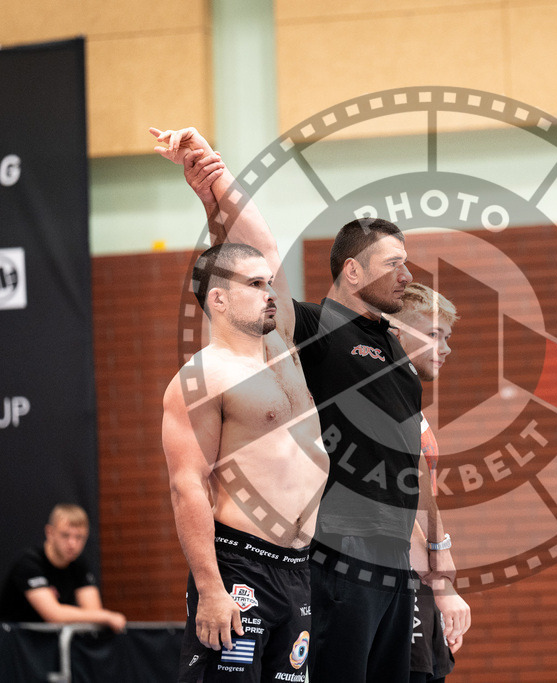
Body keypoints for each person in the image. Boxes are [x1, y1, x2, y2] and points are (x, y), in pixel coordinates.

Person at [151, 127, 467, 683]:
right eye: (394, 262)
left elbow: (417, 474)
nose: (407, 274)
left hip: (371, 565)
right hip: (321, 557)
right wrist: (216, 185)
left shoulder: (398, 360)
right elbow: (255, 256)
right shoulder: (310, 332)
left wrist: (440, 576)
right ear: (352, 270)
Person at [160, 202, 329, 677]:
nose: (269, 292)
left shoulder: (283, 353)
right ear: (218, 299)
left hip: (296, 568)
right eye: (255, 285)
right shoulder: (201, 378)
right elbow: (187, 485)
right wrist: (210, 587)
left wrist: (216, 177)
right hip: (240, 568)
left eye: (269, 283)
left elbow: (265, 247)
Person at [387, 283, 471, 683]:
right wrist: (441, 579)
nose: (445, 347)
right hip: (400, 572)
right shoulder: (382, 401)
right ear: (396, 333)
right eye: (433, 334)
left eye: (447, 336)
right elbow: (402, 500)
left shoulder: (408, 401)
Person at [0, 503, 126, 632]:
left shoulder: (79, 564)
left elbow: (93, 611)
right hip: (11, 644)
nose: (72, 543)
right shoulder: (29, 563)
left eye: (79, 537)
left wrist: (99, 616)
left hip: (47, 647)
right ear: (50, 532)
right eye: (65, 535)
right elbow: (54, 615)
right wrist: (107, 616)